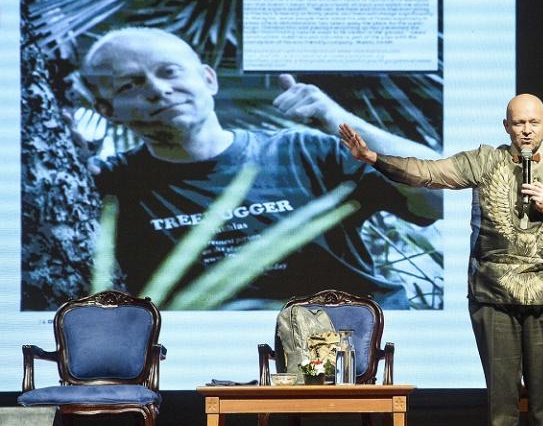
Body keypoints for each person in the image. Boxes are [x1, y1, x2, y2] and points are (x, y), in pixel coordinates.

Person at [339, 94, 543, 426]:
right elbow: (427, 173)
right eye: (517, 123)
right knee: (501, 395)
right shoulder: (484, 161)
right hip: (492, 292)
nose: (525, 130)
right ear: (506, 126)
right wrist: (374, 158)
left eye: (533, 122)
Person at [81, 27, 441, 309]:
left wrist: (337, 119)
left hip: (359, 343)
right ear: (107, 110)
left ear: (208, 79)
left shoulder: (307, 152)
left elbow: (440, 198)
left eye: (170, 71)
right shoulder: (107, 186)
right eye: (130, 84)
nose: (159, 90)